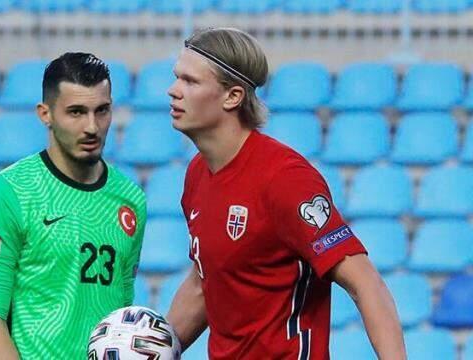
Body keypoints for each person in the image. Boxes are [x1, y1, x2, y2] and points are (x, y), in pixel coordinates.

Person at [165, 28, 406, 359]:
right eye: (177, 78)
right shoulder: (196, 174)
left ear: (232, 97)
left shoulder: (285, 179)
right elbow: (202, 285)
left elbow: (365, 283)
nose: (173, 91)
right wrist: (151, 346)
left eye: (190, 82)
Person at [0, 52, 147, 359]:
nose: (92, 127)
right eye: (76, 112)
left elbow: (121, 313)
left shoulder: (131, 199)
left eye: (101, 111)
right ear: (45, 114)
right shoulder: (7, 194)